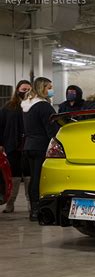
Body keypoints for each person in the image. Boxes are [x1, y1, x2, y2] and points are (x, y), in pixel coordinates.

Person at [21, 77, 59, 221]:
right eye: (48, 87)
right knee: (39, 179)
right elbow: (51, 129)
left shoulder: (26, 104)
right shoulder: (43, 106)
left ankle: (33, 208)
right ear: (42, 88)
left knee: (33, 178)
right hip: (41, 146)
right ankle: (37, 210)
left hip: (29, 145)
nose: (50, 90)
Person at [0, 80, 31, 213]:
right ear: (17, 89)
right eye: (23, 89)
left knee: (30, 175)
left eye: (28, 89)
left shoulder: (33, 106)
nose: (25, 92)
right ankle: (10, 203)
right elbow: (1, 126)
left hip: (29, 146)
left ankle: (31, 203)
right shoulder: (8, 107)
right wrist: (1, 143)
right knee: (15, 175)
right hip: (12, 145)